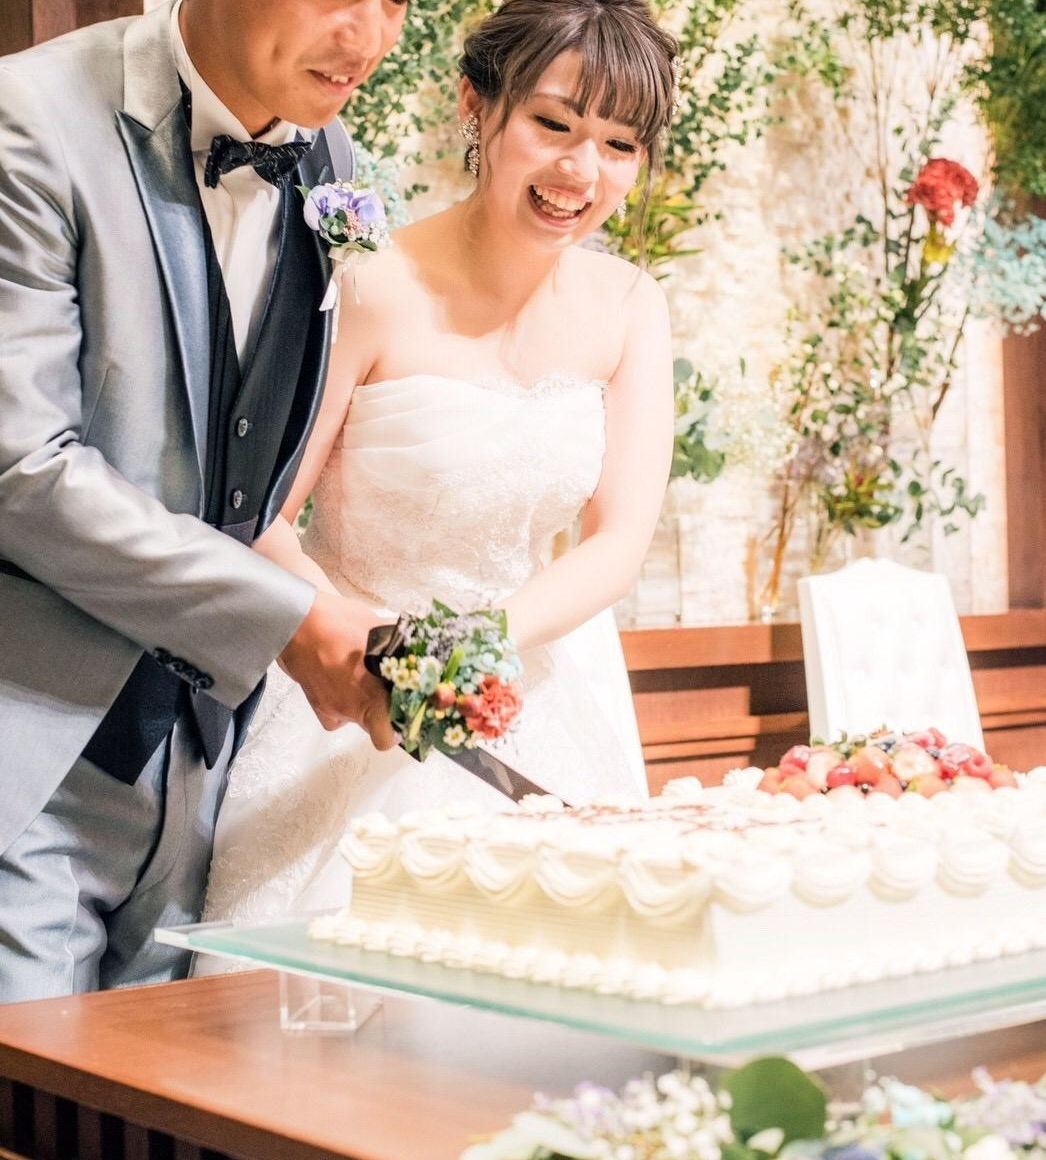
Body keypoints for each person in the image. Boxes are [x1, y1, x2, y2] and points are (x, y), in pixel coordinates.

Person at [199, 0, 678, 930]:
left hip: (528, 696)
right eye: (553, 125)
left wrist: (480, 648)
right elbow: (263, 513)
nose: (581, 173)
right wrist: (362, 647)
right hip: (350, 705)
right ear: (475, 104)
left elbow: (618, 541)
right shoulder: (370, 283)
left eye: (620, 145)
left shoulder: (629, 304)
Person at [0, 0, 410, 1001]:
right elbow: (21, 470)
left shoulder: (330, 158)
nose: (368, 37)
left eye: (397, 0)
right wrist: (287, 618)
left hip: (209, 769)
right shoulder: (31, 119)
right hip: (31, 757)